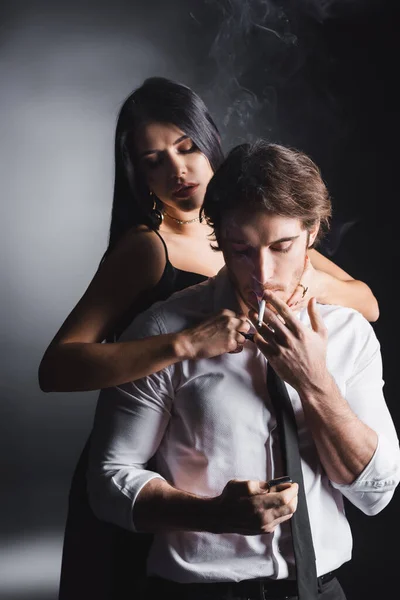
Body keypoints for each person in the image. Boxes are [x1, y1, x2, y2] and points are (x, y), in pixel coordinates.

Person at [38, 78, 379, 598]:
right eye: (153, 160)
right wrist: (184, 345)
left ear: (210, 142)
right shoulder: (148, 249)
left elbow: (366, 303)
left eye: (187, 147)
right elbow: (57, 368)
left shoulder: (267, 225)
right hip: (159, 442)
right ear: (135, 171)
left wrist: (293, 280)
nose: (177, 170)